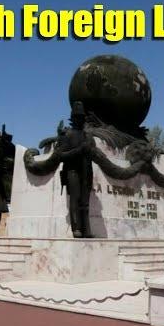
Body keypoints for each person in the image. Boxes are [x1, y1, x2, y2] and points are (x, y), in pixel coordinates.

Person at [59, 101, 95, 238]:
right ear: (73, 119)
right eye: (78, 117)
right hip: (72, 171)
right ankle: (77, 228)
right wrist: (79, 150)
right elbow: (61, 156)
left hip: (87, 171)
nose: (80, 120)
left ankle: (86, 228)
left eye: (82, 118)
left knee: (85, 202)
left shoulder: (88, 137)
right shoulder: (67, 135)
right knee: (75, 198)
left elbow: (94, 153)